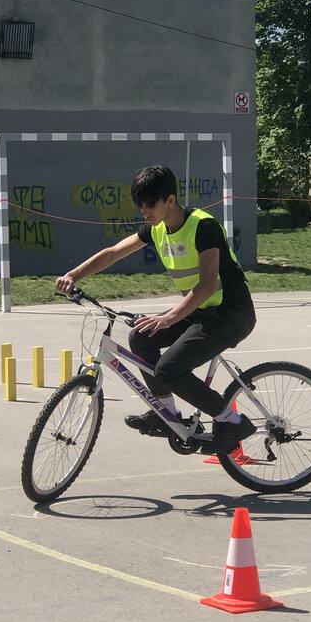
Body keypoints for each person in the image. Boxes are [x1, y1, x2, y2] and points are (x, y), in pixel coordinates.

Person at [55, 165, 257, 454]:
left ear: (170, 200)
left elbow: (206, 286)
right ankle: (166, 414)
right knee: (140, 338)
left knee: (169, 370)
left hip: (230, 315)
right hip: (200, 312)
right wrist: (74, 275)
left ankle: (231, 420)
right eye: (140, 205)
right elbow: (113, 253)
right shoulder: (157, 228)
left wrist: (169, 317)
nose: (144, 212)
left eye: (149, 205)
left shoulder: (204, 226)